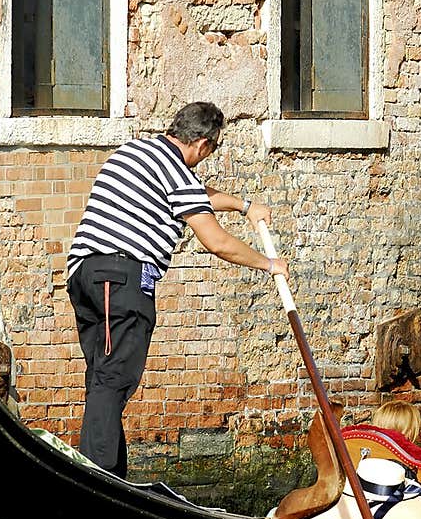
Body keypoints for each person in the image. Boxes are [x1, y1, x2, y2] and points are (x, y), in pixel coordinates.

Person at [66, 102, 289, 477]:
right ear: (203, 145)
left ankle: (112, 473)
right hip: (122, 277)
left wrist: (244, 205)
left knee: (103, 377)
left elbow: (199, 195)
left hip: (85, 276)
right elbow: (216, 241)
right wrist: (268, 264)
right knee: (114, 378)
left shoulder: (137, 152)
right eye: (211, 151)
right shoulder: (177, 171)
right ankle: (97, 478)